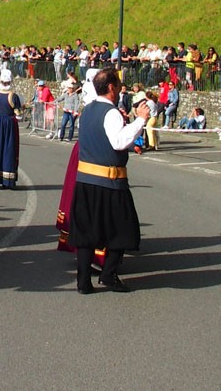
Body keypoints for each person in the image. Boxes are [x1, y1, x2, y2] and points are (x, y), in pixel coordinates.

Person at [69, 67, 150, 294]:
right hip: (109, 182)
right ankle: (108, 275)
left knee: (86, 234)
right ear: (112, 87)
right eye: (119, 85)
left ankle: (83, 281)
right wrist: (140, 121)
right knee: (121, 231)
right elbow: (118, 141)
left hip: (86, 181)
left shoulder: (87, 110)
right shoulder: (111, 112)